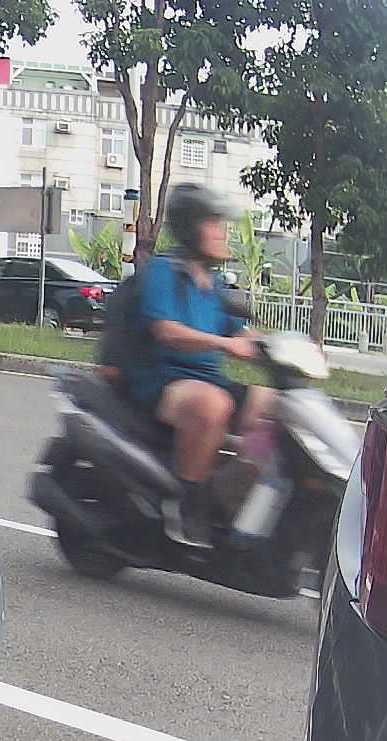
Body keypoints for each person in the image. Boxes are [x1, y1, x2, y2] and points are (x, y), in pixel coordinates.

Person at [130, 184, 271, 547]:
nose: (224, 233)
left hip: (209, 379)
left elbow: (242, 332)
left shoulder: (215, 283)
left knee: (275, 406)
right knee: (214, 405)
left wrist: (281, 348)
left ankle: (230, 494)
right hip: (165, 381)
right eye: (214, 224)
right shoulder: (163, 271)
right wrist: (225, 344)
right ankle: (187, 504)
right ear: (192, 228)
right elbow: (166, 330)